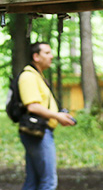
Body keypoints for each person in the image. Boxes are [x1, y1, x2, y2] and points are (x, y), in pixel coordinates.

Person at [17, 41, 76, 190]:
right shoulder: (28, 77)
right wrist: (57, 116)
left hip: (41, 131)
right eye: (47, 53)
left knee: (33, 181)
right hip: (38, 132)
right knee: (48, 182)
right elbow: (33, 106)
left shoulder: (37, 76)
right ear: (36, 56)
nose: (51, 56)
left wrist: (58, 115)